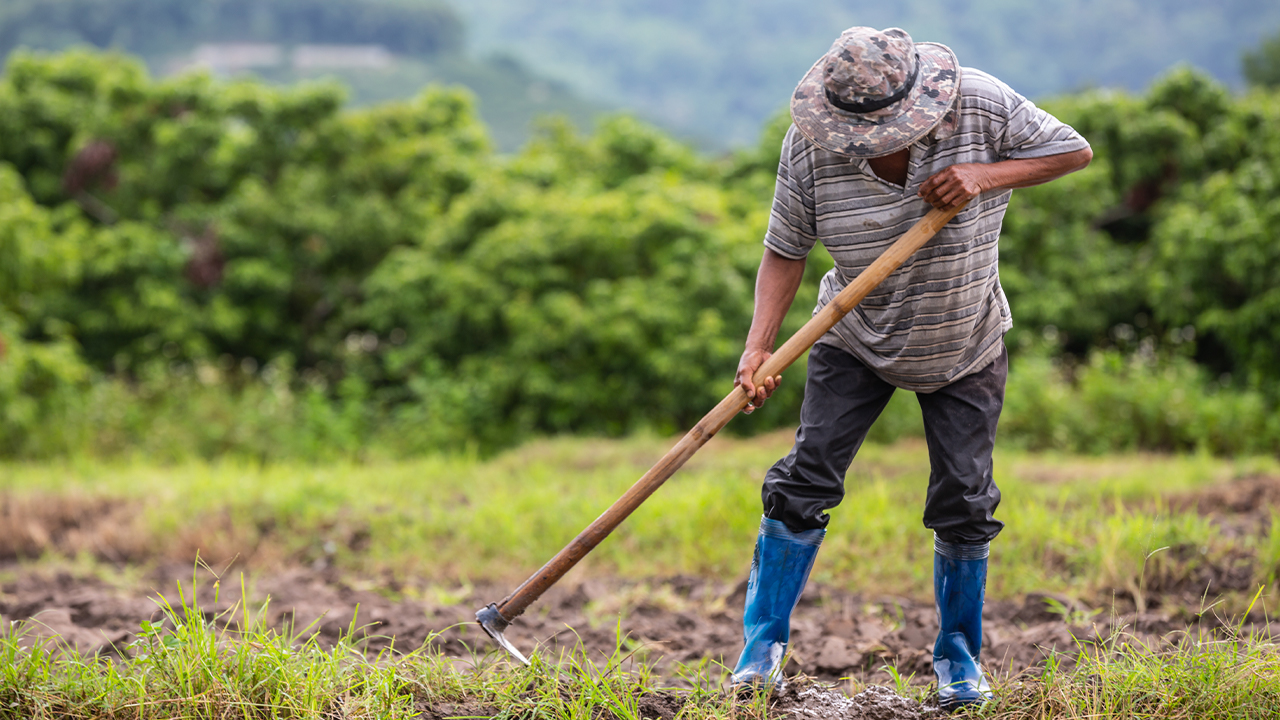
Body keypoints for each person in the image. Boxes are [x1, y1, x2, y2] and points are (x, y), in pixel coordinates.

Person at [729, 26, 1092, 711]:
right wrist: (760, 347)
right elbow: (785, 249)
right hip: (853, 333)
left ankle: (958, 662)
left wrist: (984, 175)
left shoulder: (980, 104)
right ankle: (760, 654)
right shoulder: (810, 146)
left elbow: (1073, 150)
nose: (869, 144)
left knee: (964, 498)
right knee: (805, 479)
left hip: (965, 337)